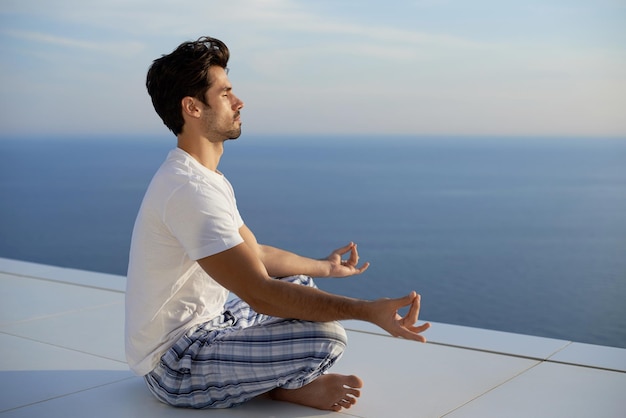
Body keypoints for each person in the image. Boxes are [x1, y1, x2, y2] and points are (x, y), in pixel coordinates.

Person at [125, 36, 431, 412]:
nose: (239, 102)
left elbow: (255, 254)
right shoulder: (189, 190)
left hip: (210, 324)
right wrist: (368, 311)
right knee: (326, 337)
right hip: (176, 367)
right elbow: (260, 294)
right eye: (225, 94)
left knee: (300, 285)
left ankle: (272, 382)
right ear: (192, 107)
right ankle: (278, 390)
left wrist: (326, 267)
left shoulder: (201, 177)